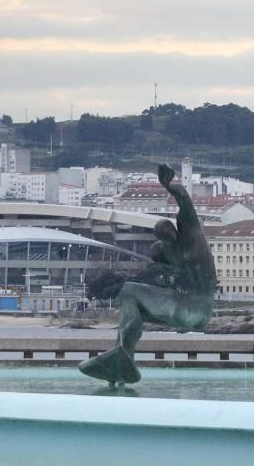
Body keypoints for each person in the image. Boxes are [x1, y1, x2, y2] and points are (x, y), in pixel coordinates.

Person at [79, 163, 216, 385]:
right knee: (134, 307)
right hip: (196, 310)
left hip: (192, 307)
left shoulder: (191, 234)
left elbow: (185, 203)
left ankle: (123, 354)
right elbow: (164, 273)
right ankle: (120, 365)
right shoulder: (178, 253)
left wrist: (170, 186)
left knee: (130, 291)